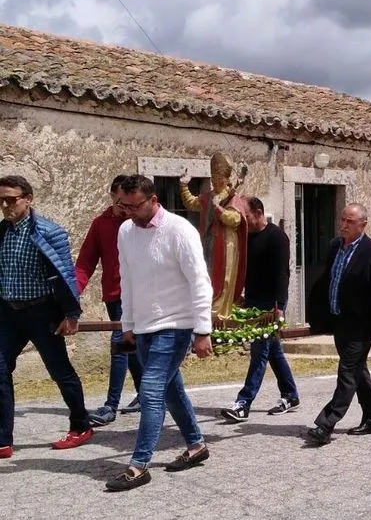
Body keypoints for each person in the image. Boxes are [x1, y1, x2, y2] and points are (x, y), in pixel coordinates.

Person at [106, 175, 214, 491]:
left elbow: (200, 282)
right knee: (170, 390)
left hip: (176, 325)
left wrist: (203, 330)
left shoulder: (180, 230)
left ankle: (138, 466)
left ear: (154, 200)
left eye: (134, 206)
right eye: (123, 206)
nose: (128, 212)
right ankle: (196, 445)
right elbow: (127, 280)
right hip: (143, 327)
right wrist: (127, 325)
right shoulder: (126, 231)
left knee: (151, 390)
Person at [0, 175, 93, 459]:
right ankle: (3, 439)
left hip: (42, 313)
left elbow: (66, 274)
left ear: (28, 199)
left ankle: (81, 425)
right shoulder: (1, 232)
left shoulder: (49, 232)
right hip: (8, 313)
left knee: (59, 371)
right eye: (1, 201)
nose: (5, 206)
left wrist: (71, 314)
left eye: (11, 200)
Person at [305, 203, 371, 445]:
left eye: (350, 222)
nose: (343, 225)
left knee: (347, 372)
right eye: (342, 220)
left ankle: (326, 423)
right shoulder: (335, 246)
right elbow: (329, 280)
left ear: (363, 225)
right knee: (356, 371)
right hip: (339, 321)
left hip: (361, 325)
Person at [221, 197, 300, 422]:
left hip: (271, 303)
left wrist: (279, 307)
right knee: (272, 350)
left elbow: (282, 274)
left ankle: (243, 403)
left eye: (245, 216)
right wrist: (239, 294)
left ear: (257, 213)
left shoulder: (277, 237)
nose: (242, 221)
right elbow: (242, 269)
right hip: (253, 300)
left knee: (260, 352)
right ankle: (291, 395)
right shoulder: (246, 237)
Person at [75, 174, 142, 427]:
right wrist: (72, 292)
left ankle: (111, 406)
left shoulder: (141, 223)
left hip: (140, 295)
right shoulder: (100, 224)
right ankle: (146, 395)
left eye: (128, 203)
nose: (124, 208)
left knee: (120, 343)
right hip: (114, 296)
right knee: (130, 346)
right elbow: (85, 263)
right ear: (112, 196)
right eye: (120, 202)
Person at [179, 152, 249, 319]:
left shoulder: (233, 198)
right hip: (207, 242)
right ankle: (207, 313)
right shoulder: (207, 197)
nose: (216, 182)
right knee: (207, 276)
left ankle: (221, 315)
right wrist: (183, 185)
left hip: (226, 244)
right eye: (213, 179)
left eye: (220, 180)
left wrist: (218, 208)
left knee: (224, 279)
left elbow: (235, 219)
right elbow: (191, 203)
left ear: (226, 179)